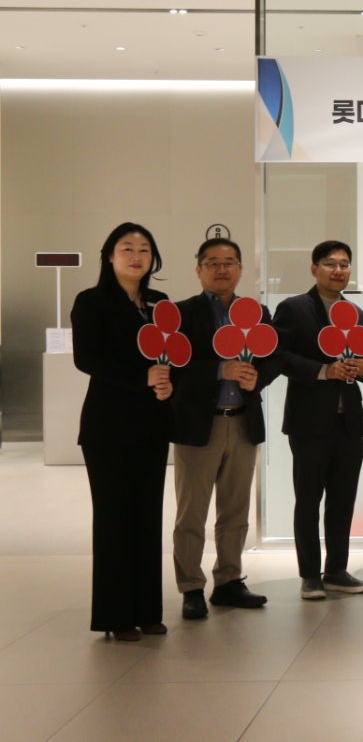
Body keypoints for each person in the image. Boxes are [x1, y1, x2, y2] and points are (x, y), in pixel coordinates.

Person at [71, 223, 174, 641]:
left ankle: (147, 611)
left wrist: (167, 383)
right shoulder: (91, 301)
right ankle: (115, 616)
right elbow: (86, 358)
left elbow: (173, 355)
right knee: (115, 520)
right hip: (108, 427)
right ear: (109, 256)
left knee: (148, 518)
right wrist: (142, 378)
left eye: (144, 249)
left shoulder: (160, 303)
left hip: (153, 424)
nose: (136, 256)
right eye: (127, 248)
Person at [169, 238, 278, 619]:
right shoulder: (182, 313)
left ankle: (229, 581)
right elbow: (174, 366)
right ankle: (190, 587)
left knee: (236, 510)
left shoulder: (257, 312)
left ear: (241, 269)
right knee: (191, 514)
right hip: (200, 425)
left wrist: (258, 378)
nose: (222, 269)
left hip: (243, 422)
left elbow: (273, 358)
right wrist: (220, 369)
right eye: (213, 262)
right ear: (199, 270)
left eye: (229, 262)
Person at [272, 240, 363, 599]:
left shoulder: (357, 313)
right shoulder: (294, 308)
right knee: (308, 500)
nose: (338, 270)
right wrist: (322, 371)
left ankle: (337, 570)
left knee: (343, 501)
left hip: (349, 422)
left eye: (344, 264)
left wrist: (362, 367)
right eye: (330, 263)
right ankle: (310, 575)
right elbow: (279, 356)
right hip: (309, 422)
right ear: (315, 269)